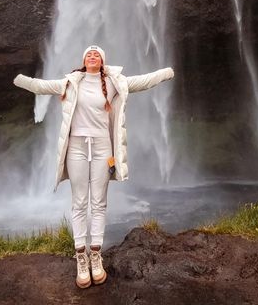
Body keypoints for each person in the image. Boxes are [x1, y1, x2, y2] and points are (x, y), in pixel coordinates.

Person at [13, 45, 174, 289]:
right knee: (79, 202)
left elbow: (143, 82)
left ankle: (95, 256)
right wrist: (16, 78)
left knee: (99, 202)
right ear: (83, 60)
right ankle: (81, 257)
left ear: (102, 61)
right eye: (89, 53)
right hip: (76, 148)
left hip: (102, 148)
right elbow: (41, 86)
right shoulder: (69, 83)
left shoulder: (112, 82)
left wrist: (167, 72)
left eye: (97, 54)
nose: (92, 55)